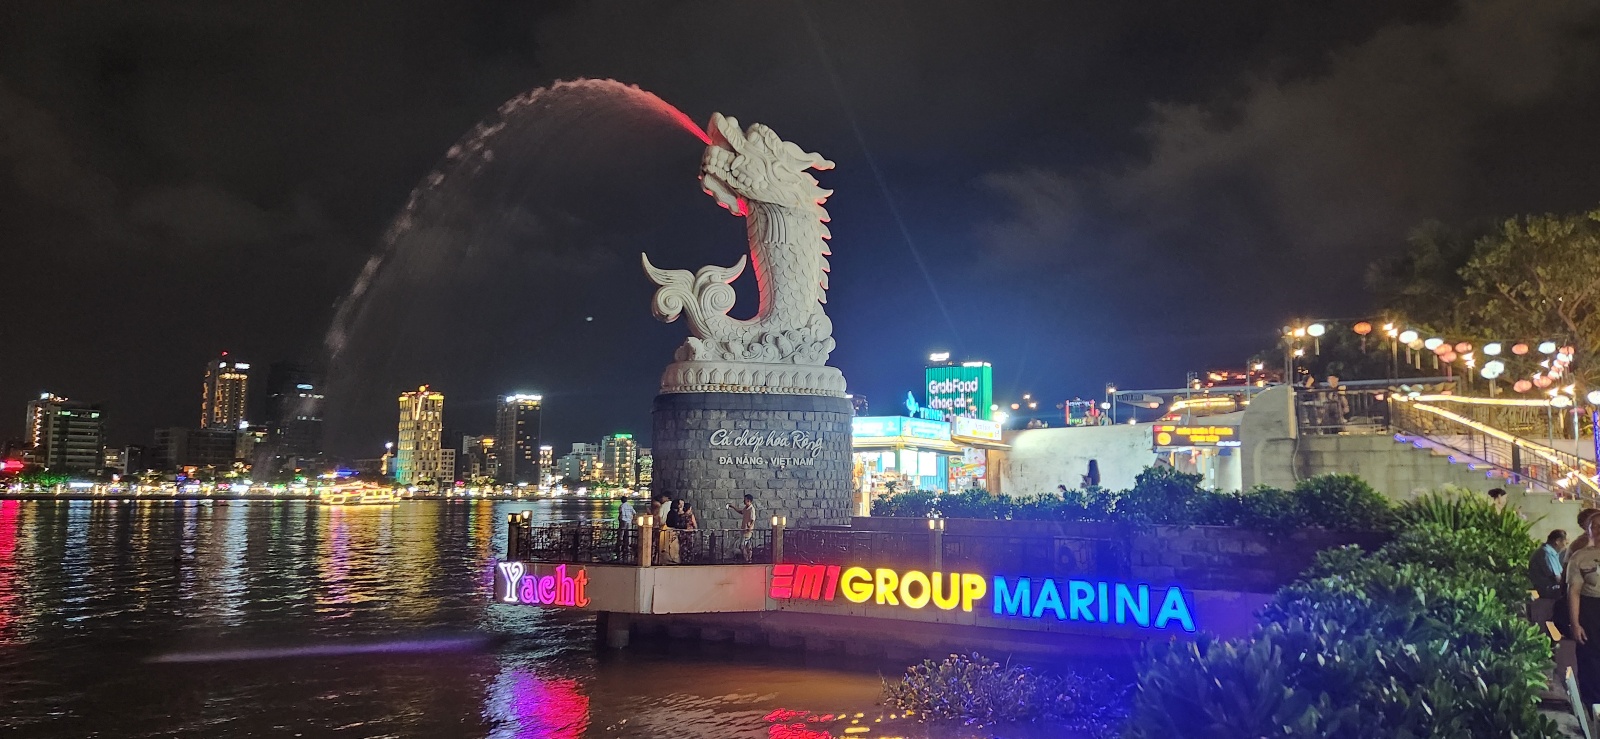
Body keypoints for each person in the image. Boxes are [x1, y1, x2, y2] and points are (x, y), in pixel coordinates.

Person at [1568, 513, 1600, 709]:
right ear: (1588, 530)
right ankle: (1593, 707)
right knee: (1590, 659)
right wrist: (1575, 623)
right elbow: (1574, 592)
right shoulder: (1579, 557)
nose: (1599, 530)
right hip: (1590, 610)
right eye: (1594, 526)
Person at [1531, 529, 1568, 622]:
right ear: (1558, 541)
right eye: (1565, 543)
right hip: (1549, 594)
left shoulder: (1550, 553)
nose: (1565, 546)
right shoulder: (1546, 553)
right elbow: (1557, 578)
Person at [728, 494, 756, 563]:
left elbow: (753, 519)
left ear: (748, 500)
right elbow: (741, 512)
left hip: (747, 531)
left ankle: (747, 559)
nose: (744, 501)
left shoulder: (751, 509)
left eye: (745, 500)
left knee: (742, 545)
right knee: (748, 545)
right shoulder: (746, 508)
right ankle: (749, 559)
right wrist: (733, 507)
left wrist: (750, 527)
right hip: (744, 529)